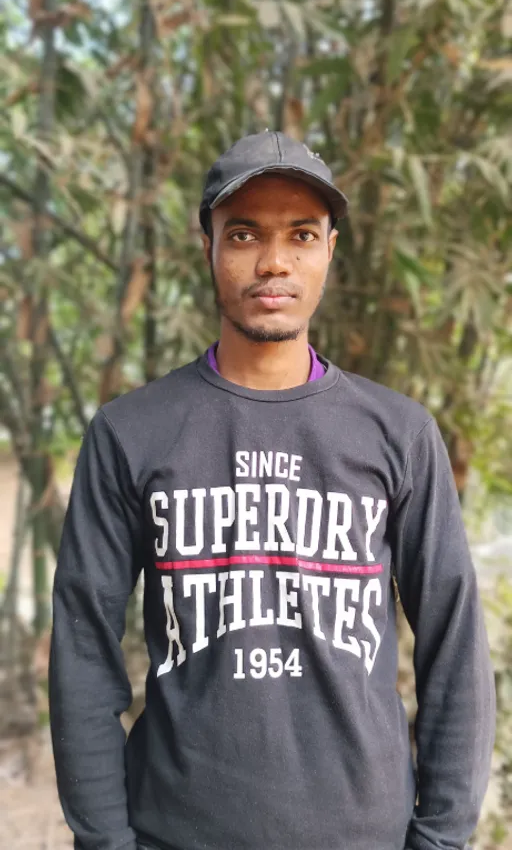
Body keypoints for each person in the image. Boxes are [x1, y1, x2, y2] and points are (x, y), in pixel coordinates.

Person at [49, 130, 496, 850]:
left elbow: (454, 650)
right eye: (245, 234)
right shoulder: (131, 433)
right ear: (210, 249)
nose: (274, 262)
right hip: (175, 831)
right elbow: (83, 655)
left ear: (330, 251)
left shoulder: (399, 434)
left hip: (364, 835)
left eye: (301, 235)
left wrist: (440, 839)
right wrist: (104, 841)